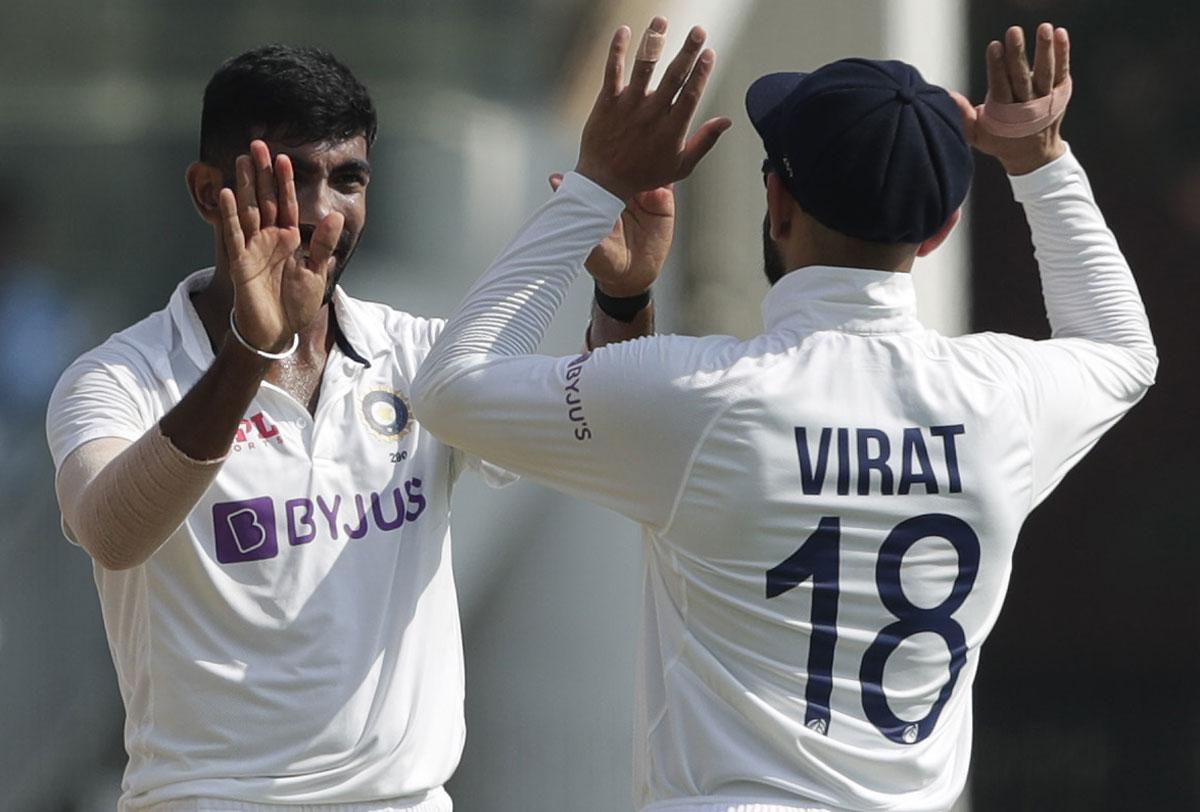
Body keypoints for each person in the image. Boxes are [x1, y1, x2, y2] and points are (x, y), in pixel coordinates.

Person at [411, 19, 1156, 812]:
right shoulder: (1005, 400)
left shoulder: (701, 394)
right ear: (939, 232)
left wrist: (596, 187)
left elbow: (452, 386)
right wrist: (1039, 163)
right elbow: (1122, 349)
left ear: (777, 200)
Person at [45, 44, 665, 811]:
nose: (320, 212)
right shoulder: (116, 379)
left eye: (347, 178)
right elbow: (114, 531)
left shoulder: (417, 356)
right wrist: (251, 352)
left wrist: (624, 301)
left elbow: (602, 442)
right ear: (209, 193)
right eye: (286, 177)